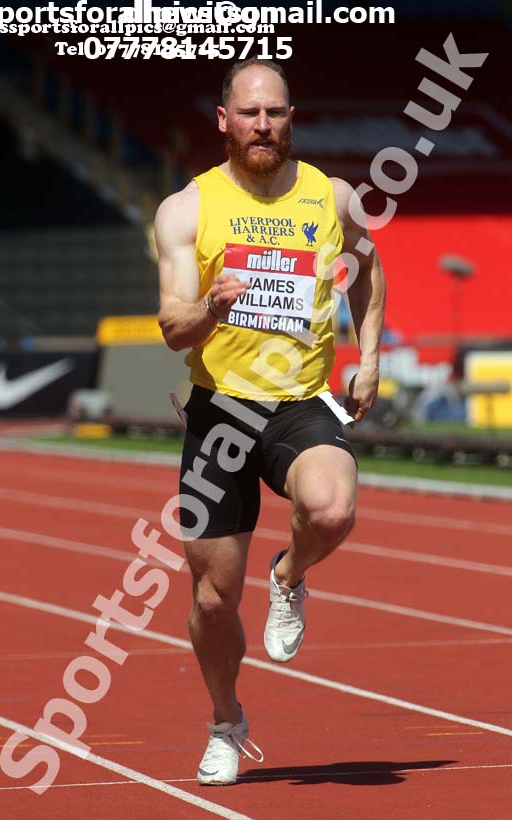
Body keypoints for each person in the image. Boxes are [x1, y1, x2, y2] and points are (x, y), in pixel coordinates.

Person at [155, 58, 386, 786]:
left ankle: (288, 575)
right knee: (211, 599)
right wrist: (212, 309)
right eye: (250, 113)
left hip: (298, 401)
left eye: (275, 113)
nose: (263, 125)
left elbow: (370, 267)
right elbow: (170, 326)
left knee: (333, 508)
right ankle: (226, 722)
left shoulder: (331, 196)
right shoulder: (185, 210)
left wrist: (370, 356)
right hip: (218, 411)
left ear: (291, 119)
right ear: (223, 120)